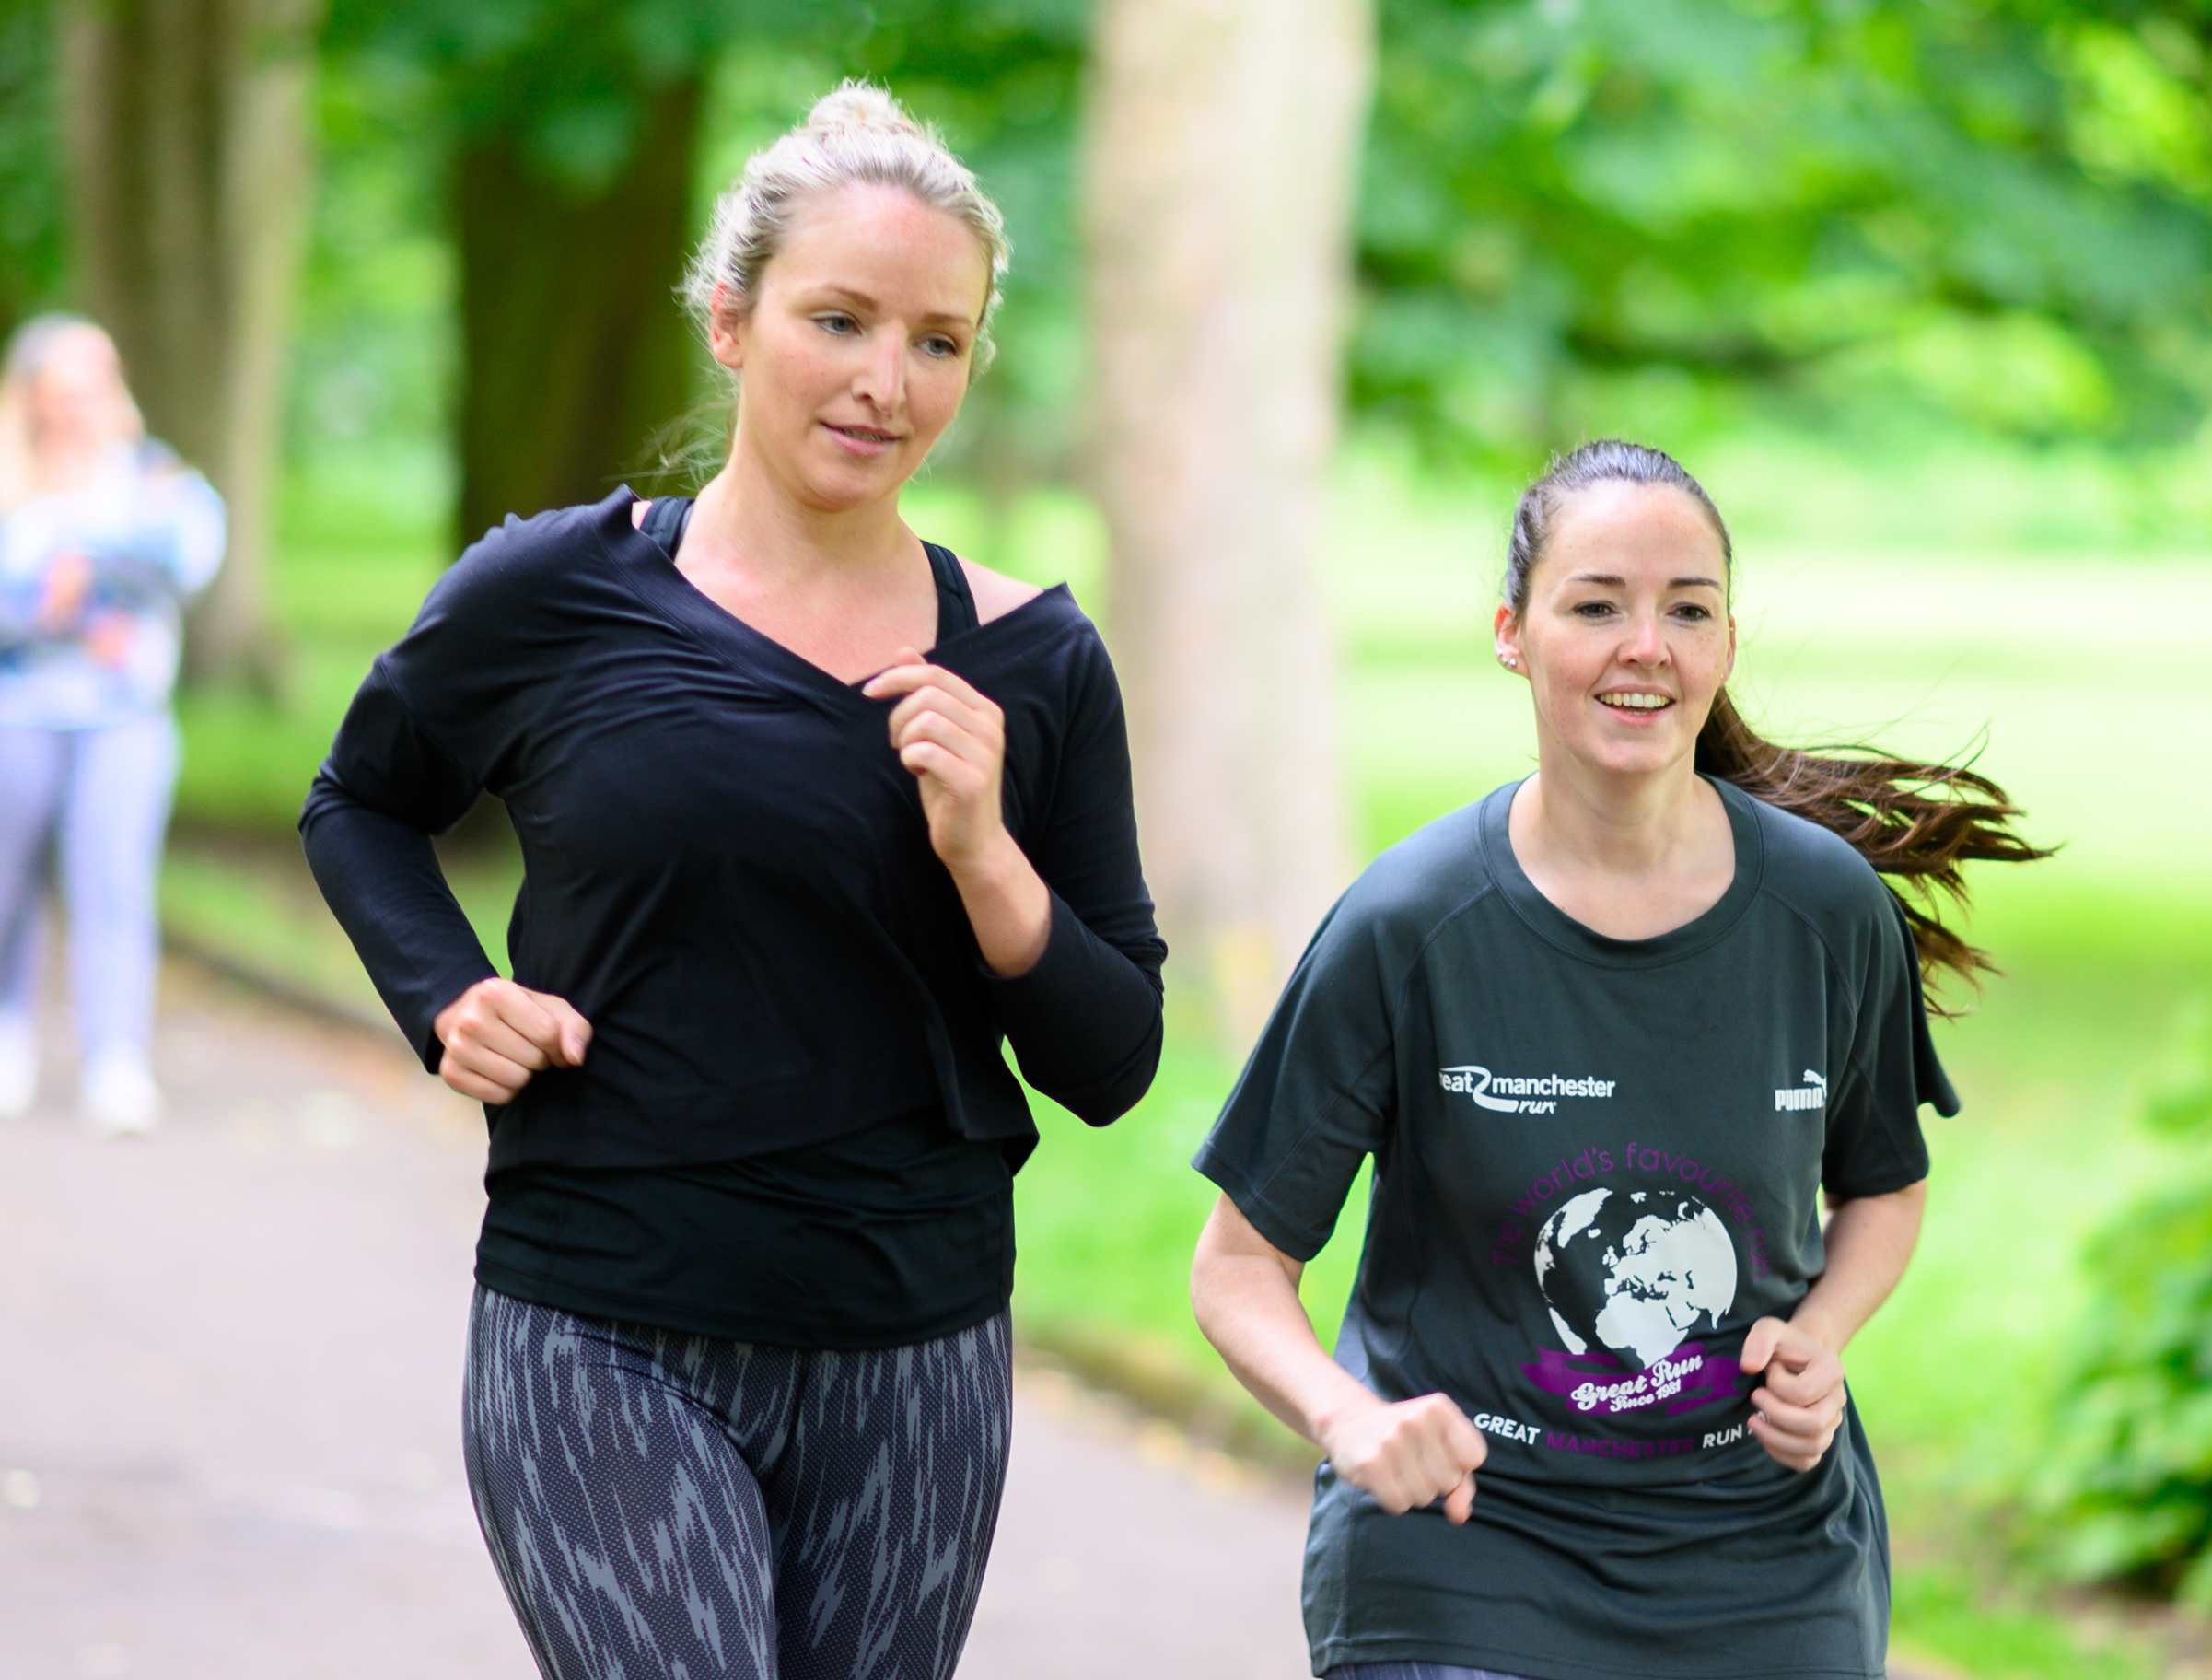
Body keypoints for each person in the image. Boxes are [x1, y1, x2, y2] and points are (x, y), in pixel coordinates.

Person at [301, 85, 1163, 1680]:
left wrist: (985, 847)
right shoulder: (555, 589)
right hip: (603, 1320)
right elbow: (360, 797)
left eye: (935, 340)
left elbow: (1112, 1062)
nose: (882, 381)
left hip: (918, 1344)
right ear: (730, 320)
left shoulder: (1034, 660)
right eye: (836, 319)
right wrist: (445, 991)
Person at [1188, 440, 2048, 1680]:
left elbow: (1884, 1182)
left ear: (1726, 645)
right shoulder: (1409, 923)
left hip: (1761, 1560)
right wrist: (1350, 1419)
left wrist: (1822, 1335)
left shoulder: (1824, 910)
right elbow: (1237, 1265)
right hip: (1465, 1557)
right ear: (1512, 633)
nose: (1646, 645)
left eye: (1686, 610)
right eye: (1596, 605)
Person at [0, 314, 225, 1133]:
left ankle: (115, 1058)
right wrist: (39, 608)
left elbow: (196, 548)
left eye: (90, 389)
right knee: (5, 885)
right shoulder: (9, 480)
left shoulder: (151, 476)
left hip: (124, 716)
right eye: (59, 392)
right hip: (15, 714)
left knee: (114, 883)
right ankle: (9, 1033)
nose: (75, 409)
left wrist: (85, 558)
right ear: (28, 398)